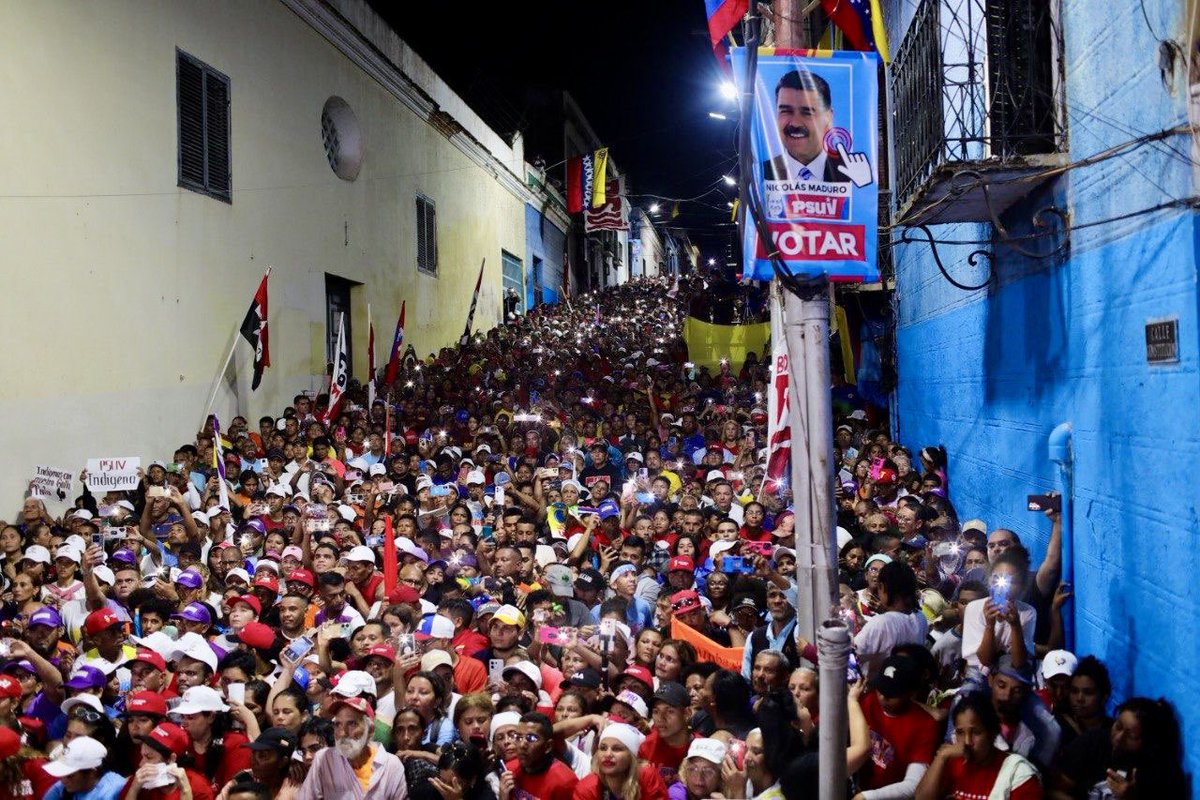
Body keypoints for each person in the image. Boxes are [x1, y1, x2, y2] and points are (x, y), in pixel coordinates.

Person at [915, 692, 1042, 800]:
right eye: (960, 733)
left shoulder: (1018, 774)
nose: (967, 741)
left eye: (976, 732)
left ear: (993, 733)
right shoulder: (953, 762)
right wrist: (941, 757)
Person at [294, 697, 407, 800]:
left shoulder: (391, 766)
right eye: (338, 724)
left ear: (371, 730)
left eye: (352, 724)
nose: (342, 733)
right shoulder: (324, 759)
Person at [760, 69, 850, 183]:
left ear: (828, 117)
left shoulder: (851, 174)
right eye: (786, 111)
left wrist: (862, 188)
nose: (795, 123)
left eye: (807, 112)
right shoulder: (761, 174)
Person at [572, 722, 668, 800]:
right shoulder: (588, 787)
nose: (608, 754)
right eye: (603, 748)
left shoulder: (647, 776)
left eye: (617, 749)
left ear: (632, 756)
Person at [500, 712, 577, 800]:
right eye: (519, 737)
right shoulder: (510, 770)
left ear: (548, 746)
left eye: (531, 738)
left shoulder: (564, 782)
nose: (522, 745)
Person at [43, 736, 125, 800]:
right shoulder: (65, 785)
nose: (63, 780)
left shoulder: (111, 792)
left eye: (70, 776)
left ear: (92, 773)